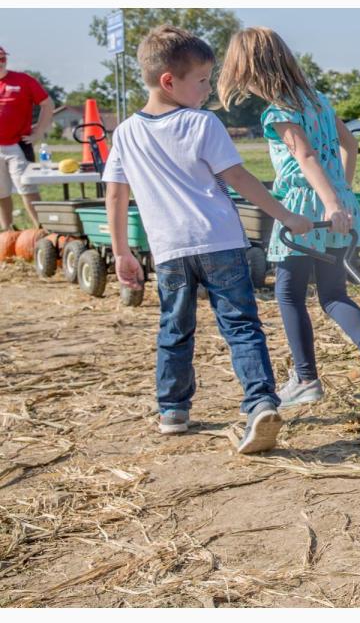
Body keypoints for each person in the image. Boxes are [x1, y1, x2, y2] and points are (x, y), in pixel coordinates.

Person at [102, 25, 313, 453]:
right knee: (240, 325)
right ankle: (260, 403)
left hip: (170, 251)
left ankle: (173, 410)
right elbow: (237, 177)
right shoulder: (202, 123)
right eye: (201, 81)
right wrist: (285, 215)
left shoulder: (125, 132)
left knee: (174, 328)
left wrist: (122, 250)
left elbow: (116, 194)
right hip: (219, 242)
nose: (207, 90)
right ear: (169, 81)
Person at [217, 26, 360, 414]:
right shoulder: (318, 100)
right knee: (334, 294)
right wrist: (341, 194)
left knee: (288, 293)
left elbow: (305, 158)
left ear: (253, 72)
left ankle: (305, 380)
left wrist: (330, 202)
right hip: (336, 209)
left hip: (304, 211)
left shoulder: (279, 112)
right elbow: (349, 146)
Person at [0, 44, 53, 230]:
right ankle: (7, 231)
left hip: (17, 146)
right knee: (1, 192)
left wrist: (38, 132)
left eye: (2, 57)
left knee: (27, 188)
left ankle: (41, 230)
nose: (0, 62)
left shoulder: (23, 80)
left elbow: (47, 104)